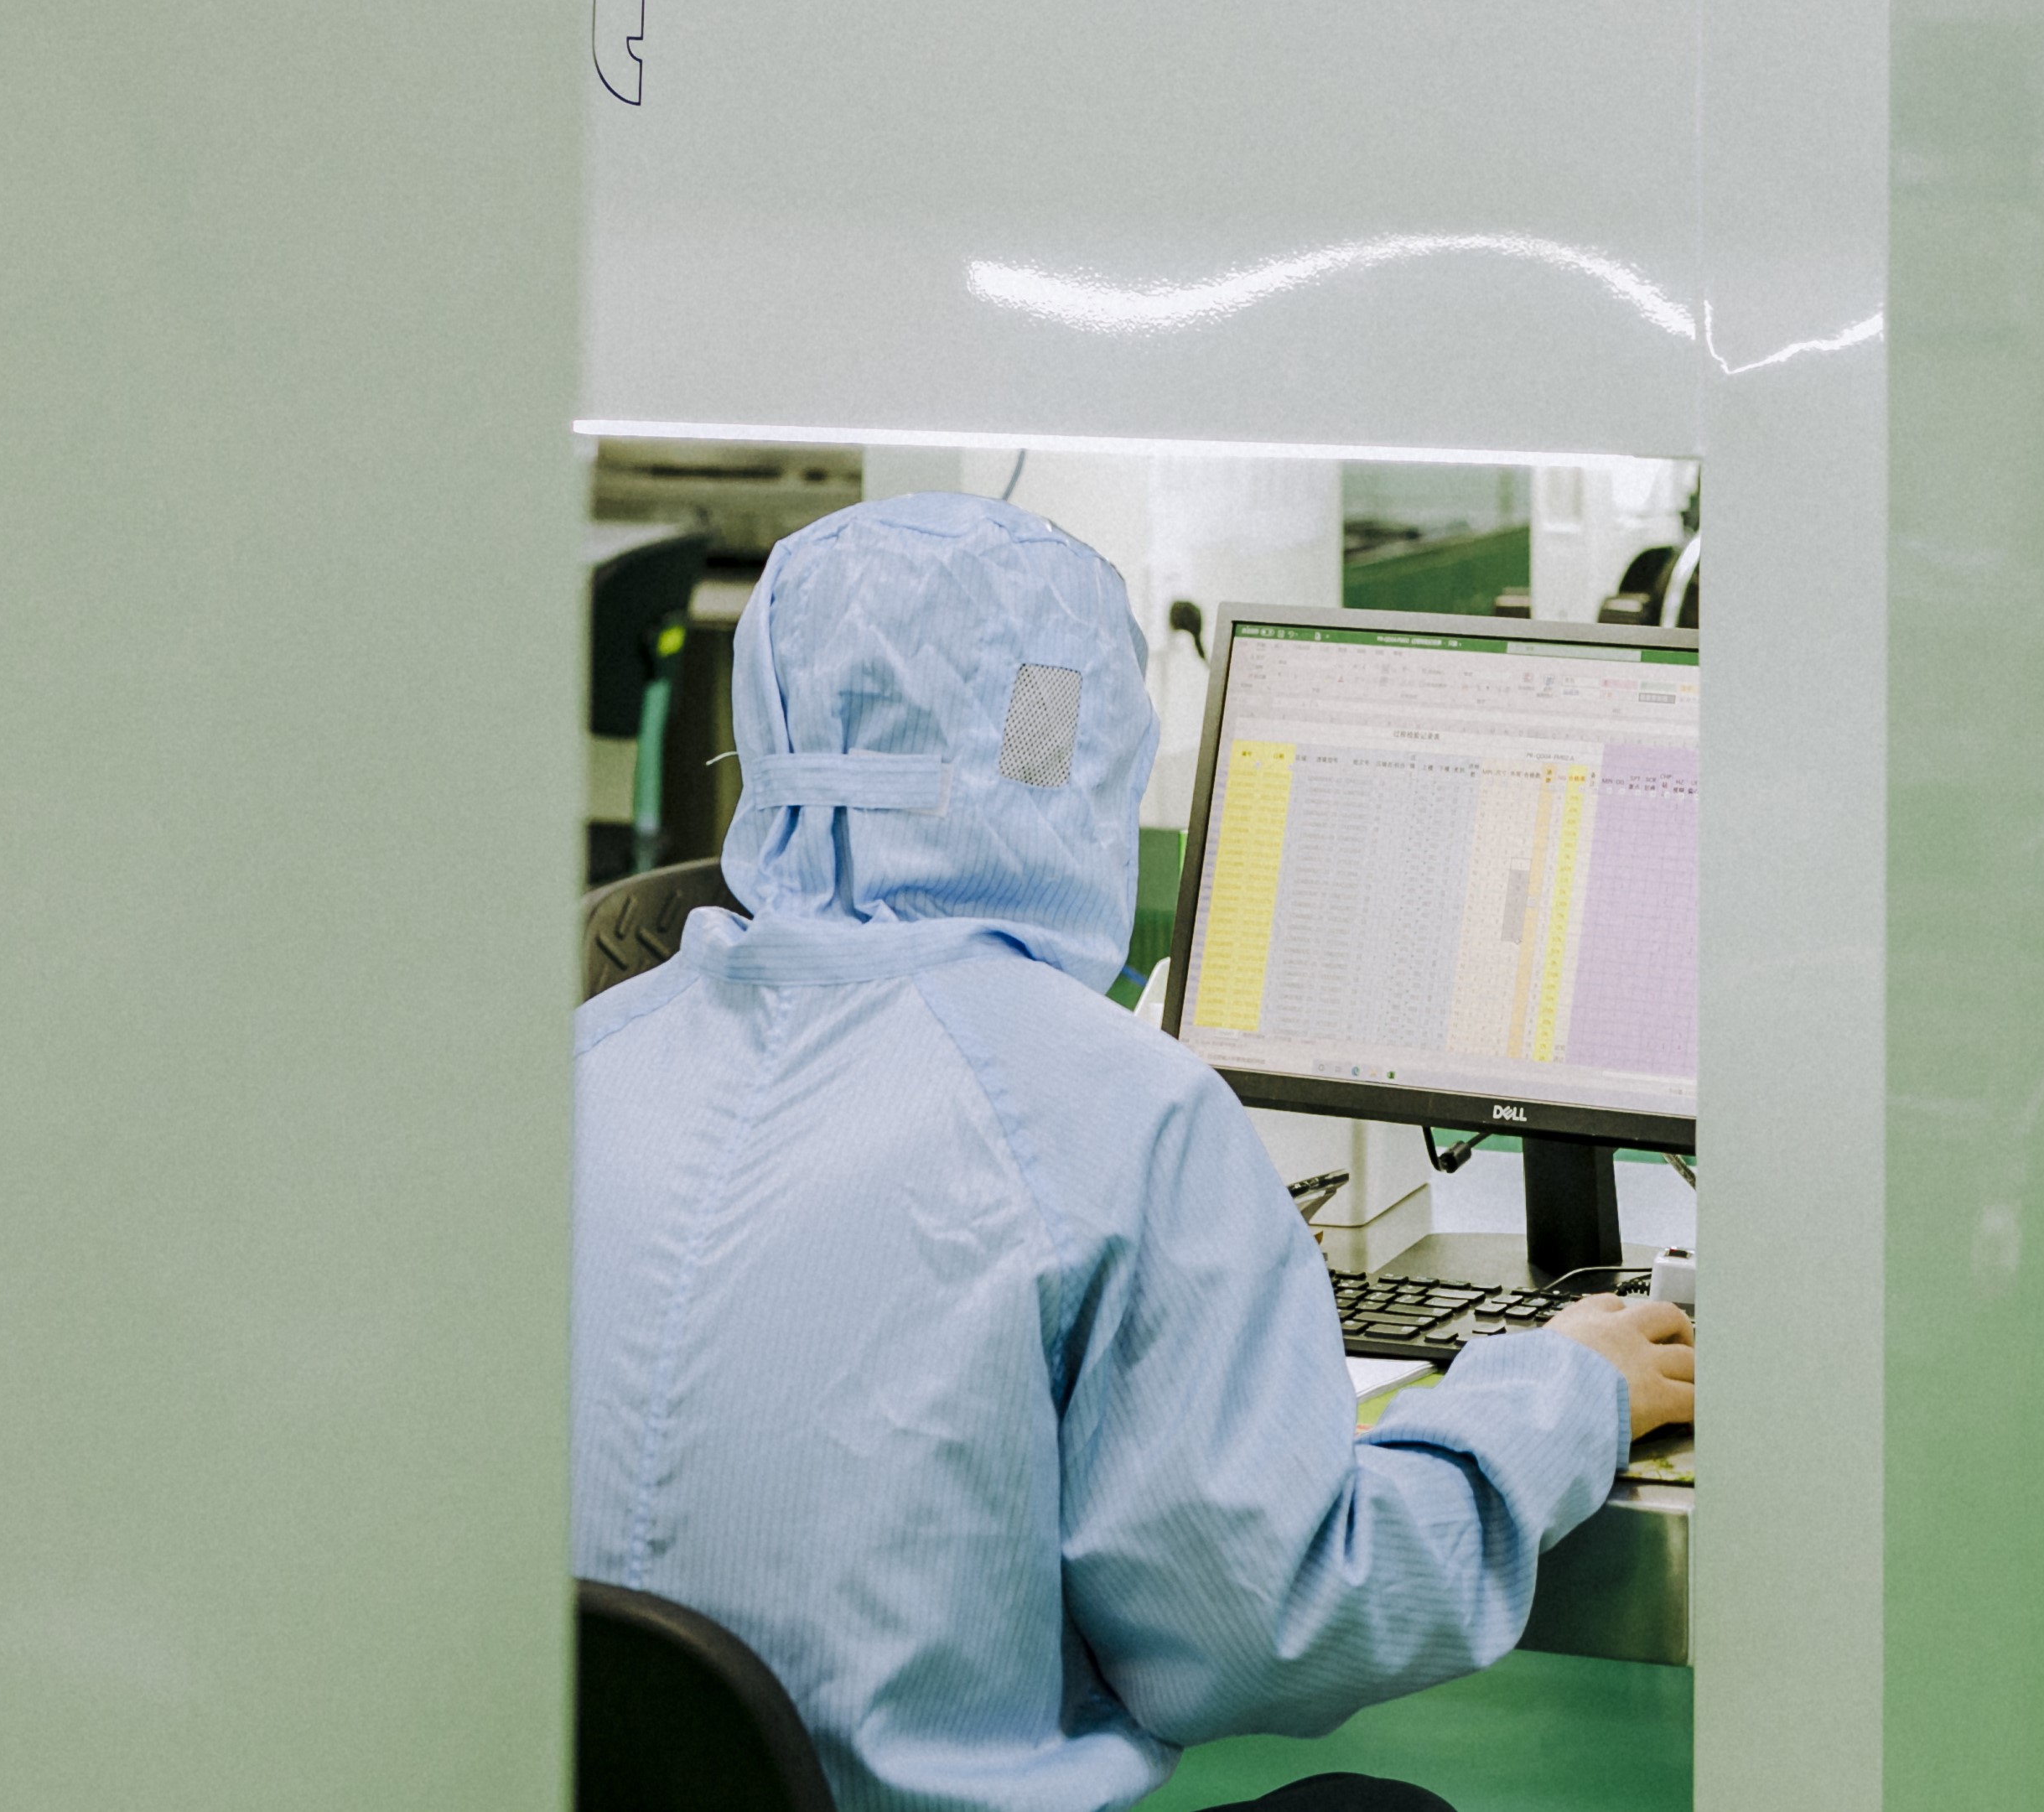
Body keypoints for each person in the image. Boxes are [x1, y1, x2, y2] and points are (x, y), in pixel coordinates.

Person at [573, 493, 1695, 1812]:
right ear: (1081, 751)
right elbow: (1265, 1625)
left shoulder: (584, 1064)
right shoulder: (1114, 1112)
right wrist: (1564, 1397)